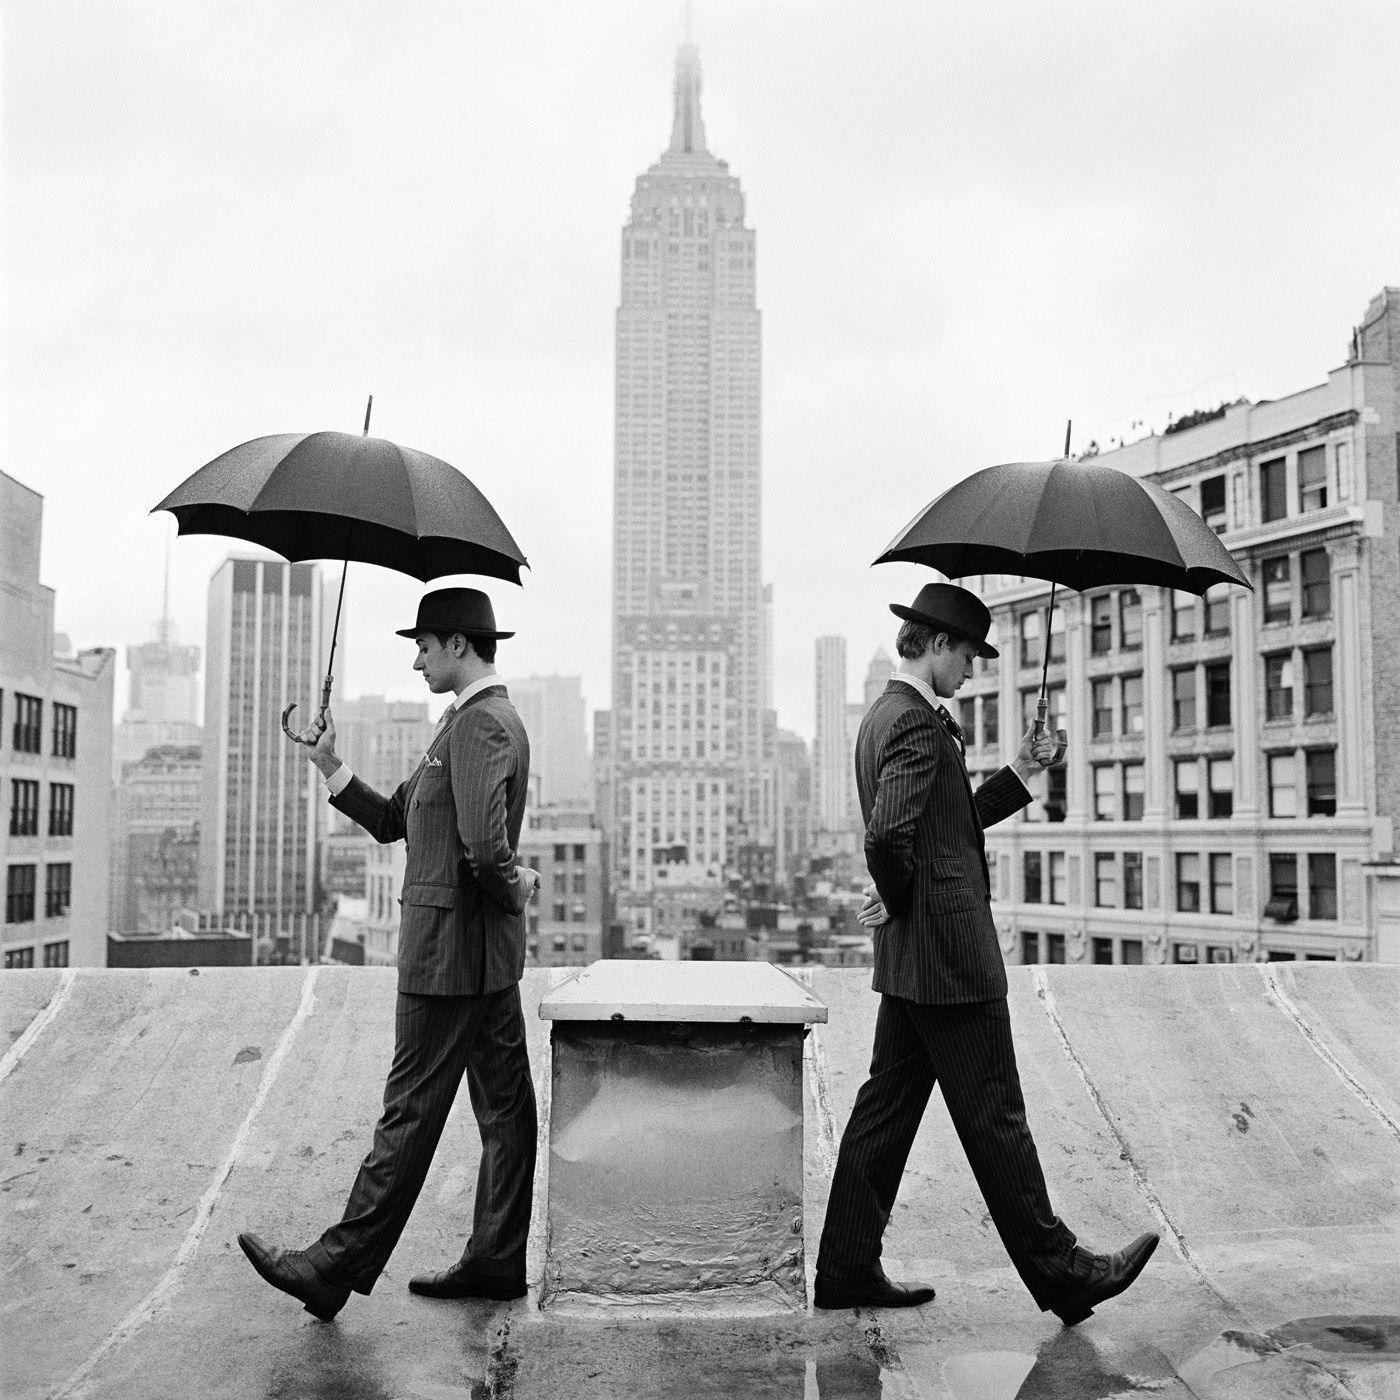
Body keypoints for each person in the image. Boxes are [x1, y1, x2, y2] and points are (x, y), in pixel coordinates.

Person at [814, 582, 1157, 1324]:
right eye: (968, 653)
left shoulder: (890, 716)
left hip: (915, 956)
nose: (973, 668)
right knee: (996, 1114)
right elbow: (886, 838)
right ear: (937, 643)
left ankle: (845, 1266)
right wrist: (901, 899)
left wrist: (1025, 771)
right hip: (948, 957)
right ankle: (1062, 1272)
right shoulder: (914, 724)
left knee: (885, 1110)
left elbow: (947, 824)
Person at [239, 587, 542, 1321]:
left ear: (460, 647)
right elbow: (393, 821)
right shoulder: (460, 726)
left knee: (408, 1115)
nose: (417, 660)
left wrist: (518, 882)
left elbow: (482, 847)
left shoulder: (481, 727)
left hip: (451, 962)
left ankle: (331, 1267)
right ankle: (496, 1262)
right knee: (508, 1114)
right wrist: (329, 764)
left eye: (426, 647)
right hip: (476, 962)